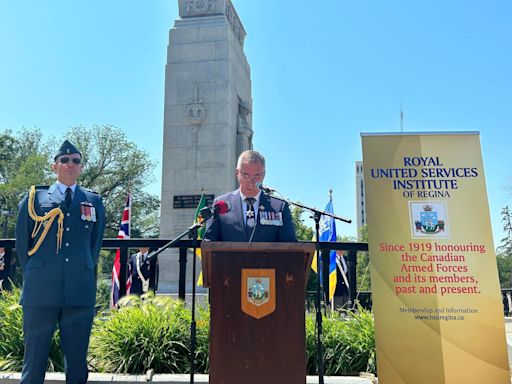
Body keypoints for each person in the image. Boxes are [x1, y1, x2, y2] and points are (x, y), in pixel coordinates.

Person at [15, 140, 105, 384]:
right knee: (34, 360)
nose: (70, 164)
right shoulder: (35, 197)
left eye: (75, 160)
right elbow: (23, 246)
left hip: (78, 289)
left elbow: (94, 246)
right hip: (40, 290)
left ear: (81, 167)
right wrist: (39, 273)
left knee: (77, 362)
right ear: (55, 166)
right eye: (64, 160)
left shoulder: (93, 201)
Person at [204, 150, 296, 242]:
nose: (251, 181)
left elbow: (289, 244)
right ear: (237, 173)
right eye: (246, 175)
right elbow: (210, 242)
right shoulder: (220, 205)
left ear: (264, 175)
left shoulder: (279, 207)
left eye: (256, 176)